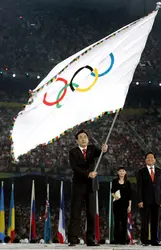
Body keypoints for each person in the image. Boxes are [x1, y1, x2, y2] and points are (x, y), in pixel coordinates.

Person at [68, 130, 107, 247]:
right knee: (75, 213)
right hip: (78, 185)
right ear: (77, 140)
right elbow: (74, 167)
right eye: (80, 137)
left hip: (91, 185)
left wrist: (104, 150)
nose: (83, 139)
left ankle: (90, 239)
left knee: (91, 213)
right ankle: (73, 239)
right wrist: (88, 173)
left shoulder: (92, 148)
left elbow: (100, 153)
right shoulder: (73, 152)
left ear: (88, 139)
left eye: (85, 137)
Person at [137, 152, 161, 246]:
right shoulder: (141, 172)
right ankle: (145, 240)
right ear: (145, 160)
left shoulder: (159, 171)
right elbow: (139, 187)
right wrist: (139, 200)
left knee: (155, 221)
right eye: (148, 158)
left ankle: (154, 240)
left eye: (152, 158)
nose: (150, 159)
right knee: (145, 221)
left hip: (157, 200)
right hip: (145, 201)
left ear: (155, 160)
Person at [111, 167, 132, 245]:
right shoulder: (114, 181)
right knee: (117, 222)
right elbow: (112, 191)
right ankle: (117, 239)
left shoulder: (128, 182)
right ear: (118, 172)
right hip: (116, 204)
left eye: (123, 171)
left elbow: (130, 195)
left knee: (124, 223)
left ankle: (124, 239)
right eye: (120, 171)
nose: (121, 172)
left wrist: (129, 206)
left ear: (125, 172)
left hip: (125, 205)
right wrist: (114, 196)